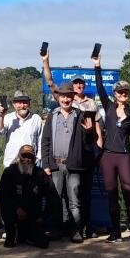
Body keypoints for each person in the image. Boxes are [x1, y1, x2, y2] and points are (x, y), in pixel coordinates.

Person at [92, 54, 130, 247]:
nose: (124, 94)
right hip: (108, 156)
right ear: (115, 94)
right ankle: (115, 233)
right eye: (121, 92)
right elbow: (99, 87)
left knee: (129, 193)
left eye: (126, 92)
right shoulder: (108, 107)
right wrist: (98, 66)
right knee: (111, 194)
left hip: (124, 157)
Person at [40, 83, 98, 242]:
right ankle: (58, 229)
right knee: (56, 200)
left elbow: (89, 144)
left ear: (73, 98)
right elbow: (45, 142)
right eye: (62, 96)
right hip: (55, 165)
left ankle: (76, 231)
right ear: (58, 97)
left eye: (68, 96)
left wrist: (88, 132)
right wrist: (46, 164)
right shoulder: (52, 115)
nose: (65, 99)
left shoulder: (81, 115)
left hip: (74, 166)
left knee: (74, 201)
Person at [0, 144, 52, 249]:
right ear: (19, 157)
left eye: (30, 157)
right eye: (24, 156)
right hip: (14, 214)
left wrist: (43, 216)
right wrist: (17, 208)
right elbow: (1, 196)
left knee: (44, 243)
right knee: (9, 244)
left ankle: (25, 234)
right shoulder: (9, 172)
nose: (27, 159)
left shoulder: (40, 173)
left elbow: (51, 196)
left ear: (34, 159)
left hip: (32, 215)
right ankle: (12, 233)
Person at [0, 90, 42, 167]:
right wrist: (1, 116)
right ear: (14, 104)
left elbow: (41, 141)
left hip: (30, 164)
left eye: (25, 102)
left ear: (29, 104)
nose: (22, 105)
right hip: (10, 164)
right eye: (19, 103)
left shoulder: (36, 118)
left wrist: (38, 158)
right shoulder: (8, 118)